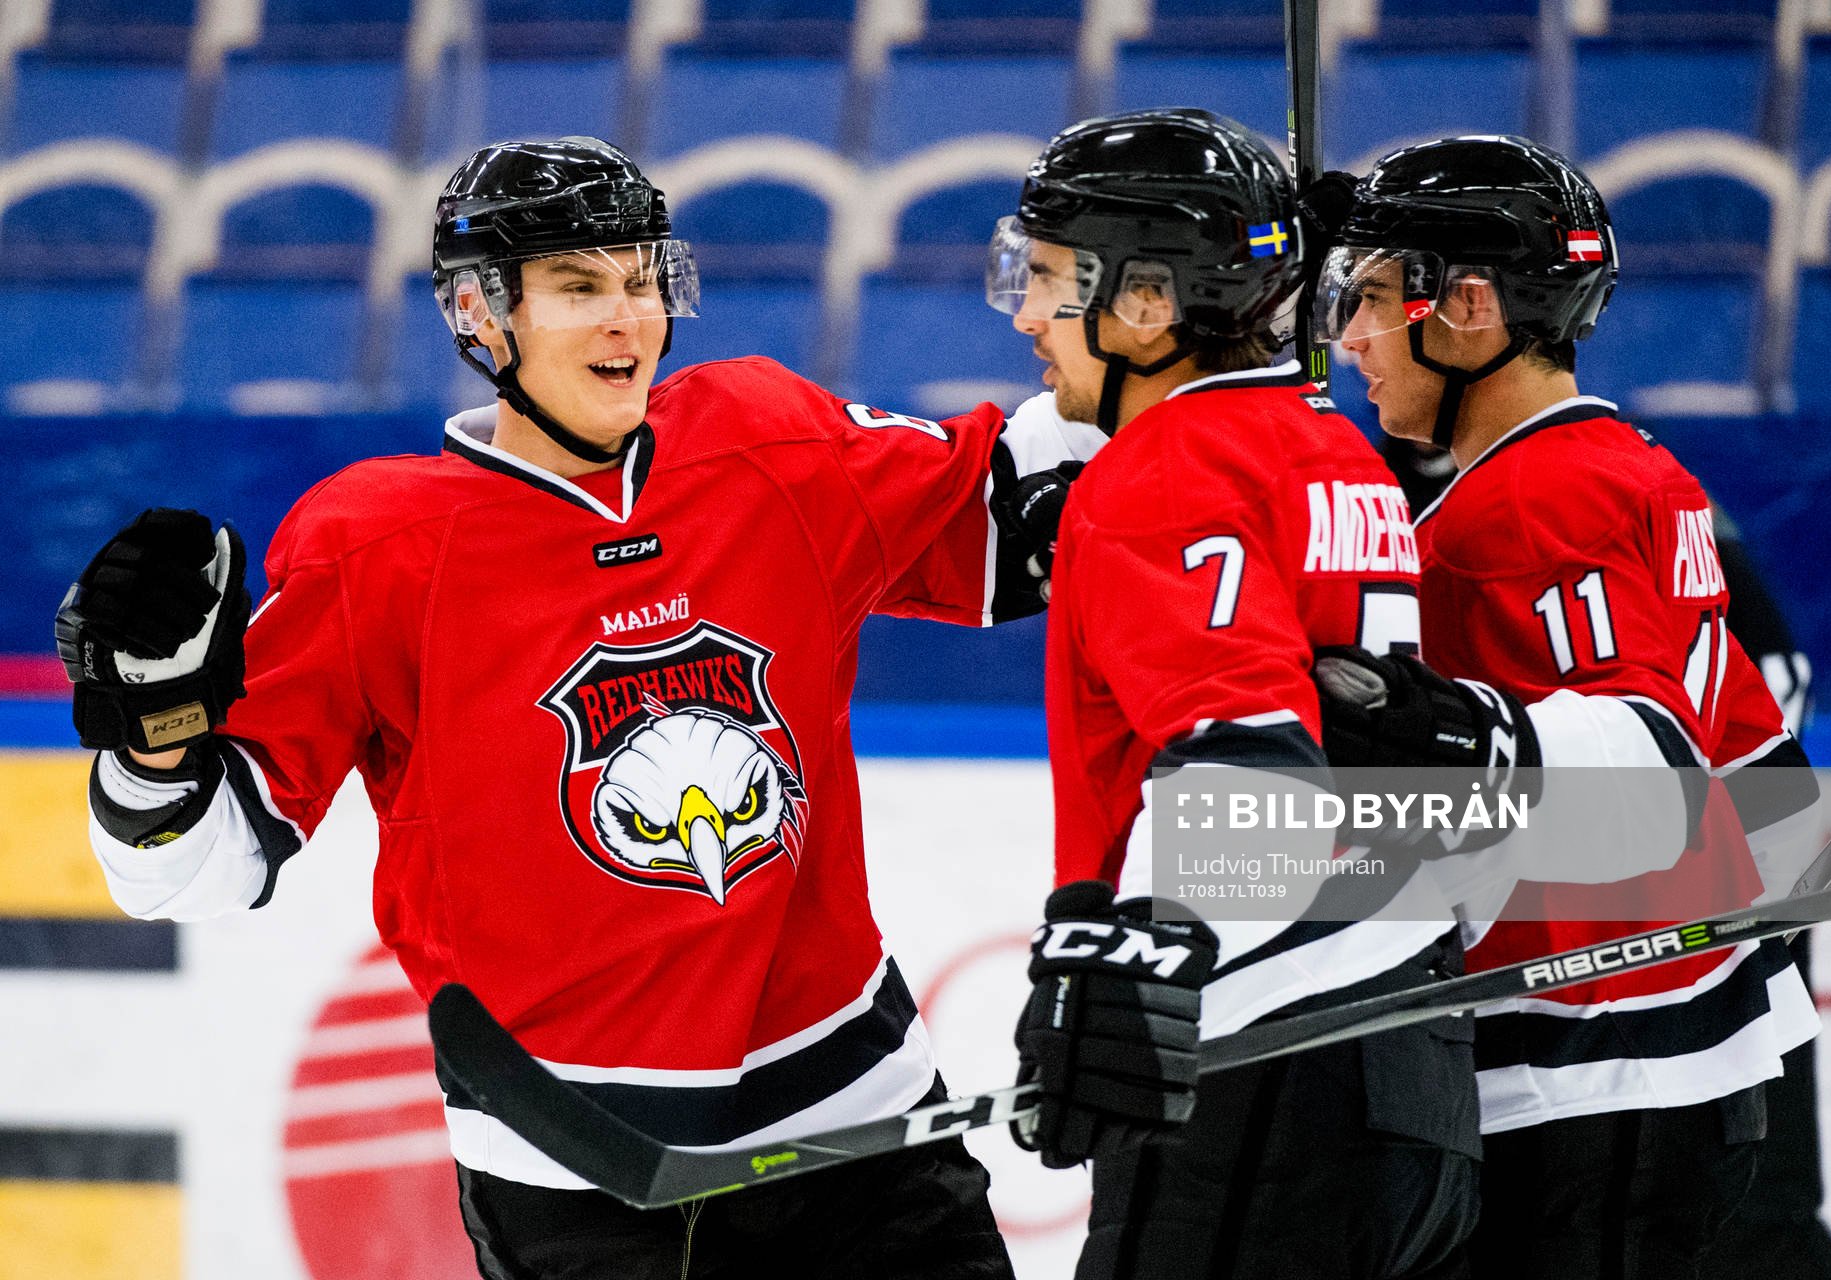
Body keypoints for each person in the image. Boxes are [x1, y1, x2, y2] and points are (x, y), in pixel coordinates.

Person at [53, 135, 1097, 1280]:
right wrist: (150, 727)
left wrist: (1204, 349)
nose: (628, 319)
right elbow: (187, 869)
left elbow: (1024, 515)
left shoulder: (767, 442)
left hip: (854, 1131)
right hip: (577, 1171)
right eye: (579, 285)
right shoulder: (378, 548)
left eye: (643, 280)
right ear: (478, 313)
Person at [1310, 134, 1824, 1278]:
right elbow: (1763, 782)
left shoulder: (1536, 506)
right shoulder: (1638, 469)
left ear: (1472, 305)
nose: (1349, 339)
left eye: (1374, 298)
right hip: (1683, 1072)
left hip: (1591, 1090)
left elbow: (1641, 767)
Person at [987, 107, 1481, 1280]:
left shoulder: (1160, 472)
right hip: (1414, 1065)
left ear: (1149, 303)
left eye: (1051, 282)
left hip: (1262, 1070)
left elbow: (1255, 775)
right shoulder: (1331, 446)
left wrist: (1137, 961)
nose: (1023, 316)